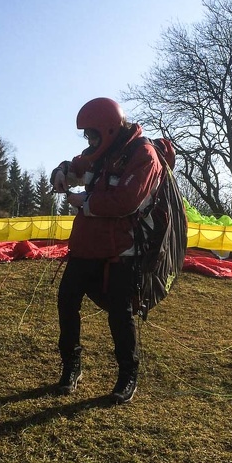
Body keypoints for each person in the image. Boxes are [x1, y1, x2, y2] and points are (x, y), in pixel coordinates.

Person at [50, 97, 165, 404]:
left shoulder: (144, 156)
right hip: (85, 246)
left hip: (121, 251)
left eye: (92, 134)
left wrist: (84, 203)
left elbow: (125, 201)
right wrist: (61, 172)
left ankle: (128, 375)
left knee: (120, 314)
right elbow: (74, 167)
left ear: (109, 129)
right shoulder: (99, 154)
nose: (89, 140)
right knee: (66, 301)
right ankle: (71, 367)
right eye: (86, 135)